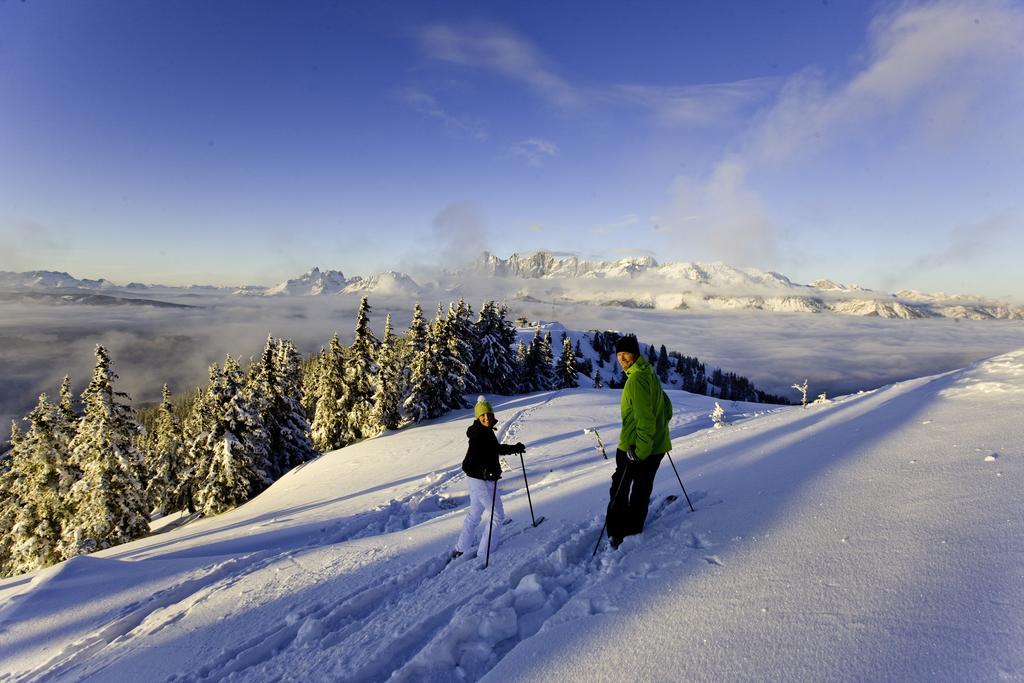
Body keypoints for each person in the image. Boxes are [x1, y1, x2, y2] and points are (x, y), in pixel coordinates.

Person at [607, 334, 673, 549]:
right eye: (619, 354)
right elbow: (667, 408)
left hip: (634, 447)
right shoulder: (649, 374)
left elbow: (644, 419)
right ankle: (633, 528)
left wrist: (640, 450)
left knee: (619, 489)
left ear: (635, 354)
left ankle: (616, 533)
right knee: (642, 489)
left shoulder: (635, 380)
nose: (622, 358)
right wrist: (658, 433)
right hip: (656, 446)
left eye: (626, 353)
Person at [453, 396, 525, 559]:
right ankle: (485, 552)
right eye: (482, 415)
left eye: (488, 414)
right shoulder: (479, 435)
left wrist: (515, 448)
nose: (486, 418)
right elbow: (470, 462)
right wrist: (484, 472)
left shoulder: (483, 432)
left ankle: (461, 547)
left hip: (475, 481)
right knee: (497, 515)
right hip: (482, 481)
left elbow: (494, 449)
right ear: (478, 417)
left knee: (474, 514)